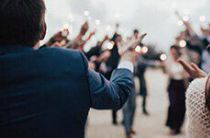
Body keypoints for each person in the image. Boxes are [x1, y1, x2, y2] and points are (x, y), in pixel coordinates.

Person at [0, 0, 141, 137]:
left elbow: (23, 59)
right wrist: (127, 60)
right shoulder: (71, 63)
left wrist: (51, 43)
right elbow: (116, 95)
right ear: (43, 30)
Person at [163, 45, 189, 135]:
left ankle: (178, 126)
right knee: (173, 105)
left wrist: (183, 74)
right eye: (171, 52)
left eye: (174, 52)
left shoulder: (184, 59)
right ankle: (172, 126)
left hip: (182, 84)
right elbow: (167, 72)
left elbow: (187, 73)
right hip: (172, 84)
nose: (172, 53)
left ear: (177, 51)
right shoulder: (168, 61)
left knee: (181, 105)